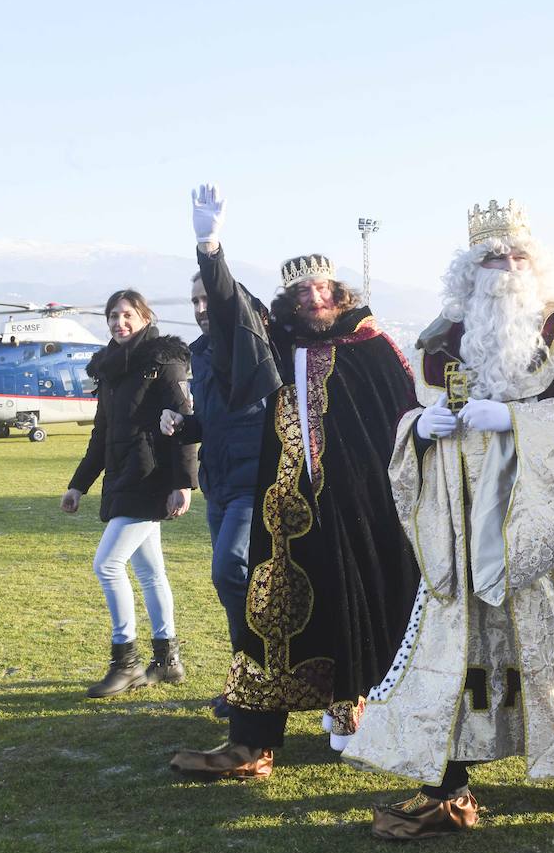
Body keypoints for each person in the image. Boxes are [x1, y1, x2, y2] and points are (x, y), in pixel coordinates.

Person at [343, 199, 554, 840]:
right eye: (493, 256)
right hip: (468, 529)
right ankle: (449, 785)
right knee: (469, 649)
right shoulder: (440, 340)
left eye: (517, 255)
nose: (506, 267)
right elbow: (419, 414)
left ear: (537, 263)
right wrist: (419, 430)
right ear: (469, 269)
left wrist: (520, 423)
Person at [170, 183, 419, 781]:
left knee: (363, 608)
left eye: (321, 288)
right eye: (301, 291)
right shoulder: (276, 344)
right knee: (270, 613)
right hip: (285, 510)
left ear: (338, 291)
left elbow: (403, 421)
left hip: (361, 509)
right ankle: (250, 743)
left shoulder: (372, 345)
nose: (313, 298)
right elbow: (232, 305)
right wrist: (211, 246)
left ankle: (362, 711)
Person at [61, 289, 198, 698]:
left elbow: (185, 423)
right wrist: (77, 484)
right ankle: (168, 661)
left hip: (151, 479)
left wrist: (182, 484)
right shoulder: (109, 368)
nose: (119, 322)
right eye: (113, 316)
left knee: (107, 565)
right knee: (150, 573)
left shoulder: (163, 362)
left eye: (127, 315)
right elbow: (102, 433)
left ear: (144, 317)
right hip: (121, 478)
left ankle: (126, 662)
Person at [160, 273, 265, 767]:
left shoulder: (256, 341)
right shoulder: (199, 351)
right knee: (230, 588)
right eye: (194, 299)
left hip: (256, 483)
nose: (201, 306)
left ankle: (262, 678)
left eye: (208, 297)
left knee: (229, 571)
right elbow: (215, 420)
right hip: (218, 484)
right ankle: (244, 680)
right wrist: (185, 424)